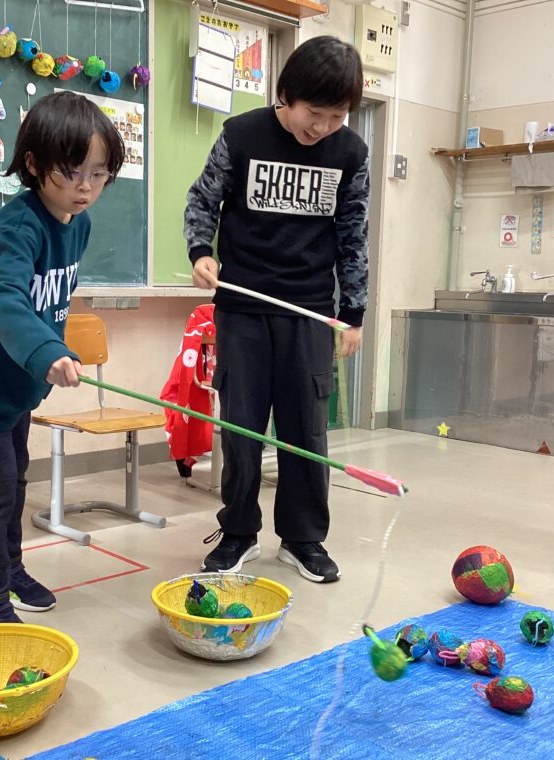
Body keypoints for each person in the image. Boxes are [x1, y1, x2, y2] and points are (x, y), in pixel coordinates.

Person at [0, 91, 125, 625]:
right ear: (35, 164)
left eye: (99, 174)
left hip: (16, 374)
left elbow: (50, 300)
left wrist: (45, 353)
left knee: (15, 475)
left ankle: (10, 569)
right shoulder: (17, 228)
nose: (85, 188)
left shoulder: (77, 224)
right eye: (72, 173)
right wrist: (44, 351)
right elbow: (7, 298)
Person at [184, 35, 370, 583]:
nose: (323, 127)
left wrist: (353, 312)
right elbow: (202, 199)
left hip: (310, 311)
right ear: (286, 94)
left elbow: (353, 235)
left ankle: (304, 538)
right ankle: (238, 533)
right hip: (242, 306)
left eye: (337, 116)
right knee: (241, 427)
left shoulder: (350, 153)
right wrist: (200, 251)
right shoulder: (241, 135)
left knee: (306, 430)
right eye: (315, 113)